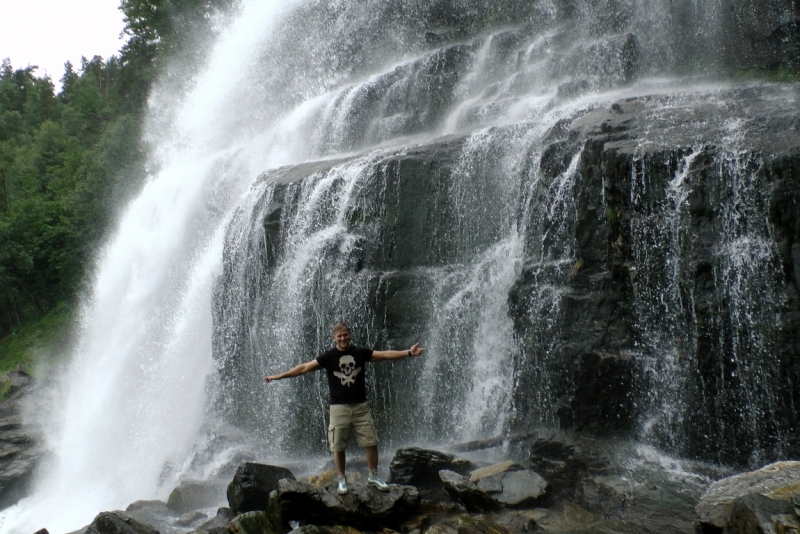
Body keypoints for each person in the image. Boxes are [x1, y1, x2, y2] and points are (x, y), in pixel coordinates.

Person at [264, 322, 425, 495]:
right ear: (334, 338)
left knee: (371, 442)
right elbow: (303, 368)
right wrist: (278, 376)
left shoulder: (360, 353)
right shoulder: (328, 357)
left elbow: (385, 355)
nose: (343, 338)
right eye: (339, 336)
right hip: (338, 408)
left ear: (350, 335)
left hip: (360, 407)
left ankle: (373, 476)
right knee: (338, 446)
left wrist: (408, 352)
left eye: (345, 335)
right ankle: (342, 480)